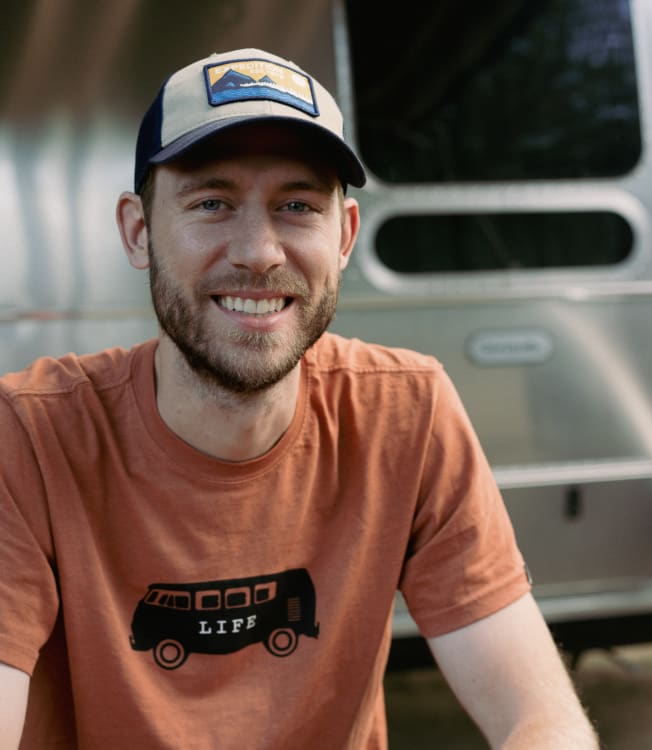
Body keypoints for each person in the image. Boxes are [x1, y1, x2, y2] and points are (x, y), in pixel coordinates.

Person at [0, 48, 597, 749]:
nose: (259, 251)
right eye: (212, 202)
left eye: (297, 205)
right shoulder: (31, 435)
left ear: (343, 236)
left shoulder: (407, 412)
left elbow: (537, 716)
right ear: (138, 230)